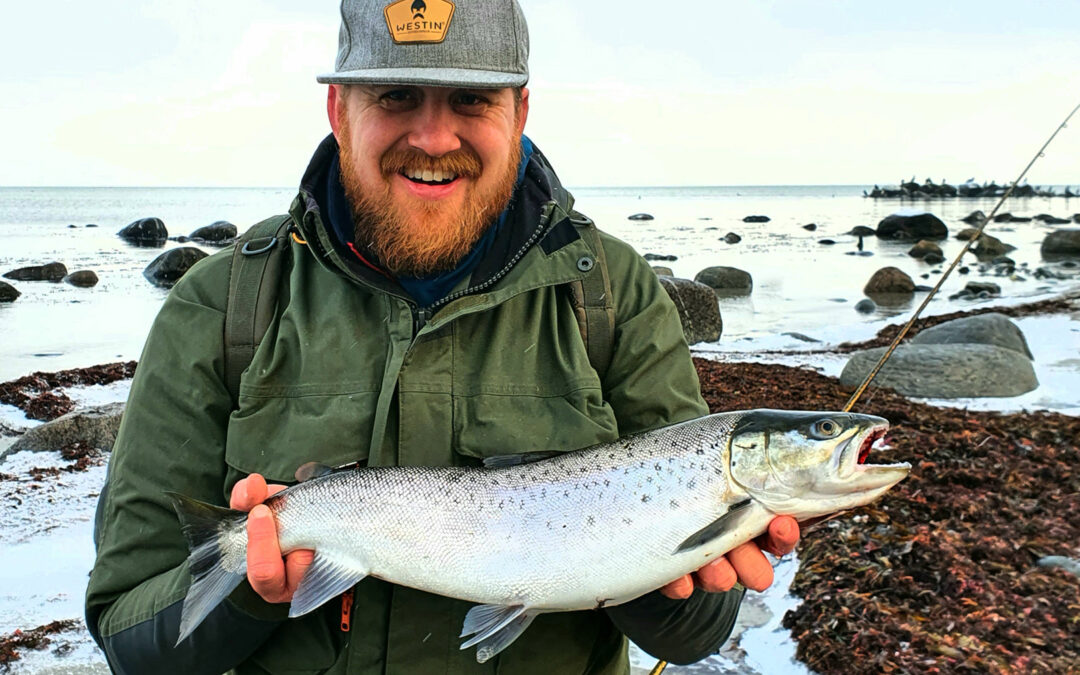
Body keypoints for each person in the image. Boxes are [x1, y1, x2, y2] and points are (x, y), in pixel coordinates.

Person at [86, 0, 799, 672]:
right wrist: (249, 590)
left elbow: (700, 628)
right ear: (339, 111)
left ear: (520, 112)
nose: (433, 137)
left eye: (471, 99)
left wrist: (657, 572)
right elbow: (129, 634)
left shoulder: (612, 296)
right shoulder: (220, 305)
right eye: (396, 96)